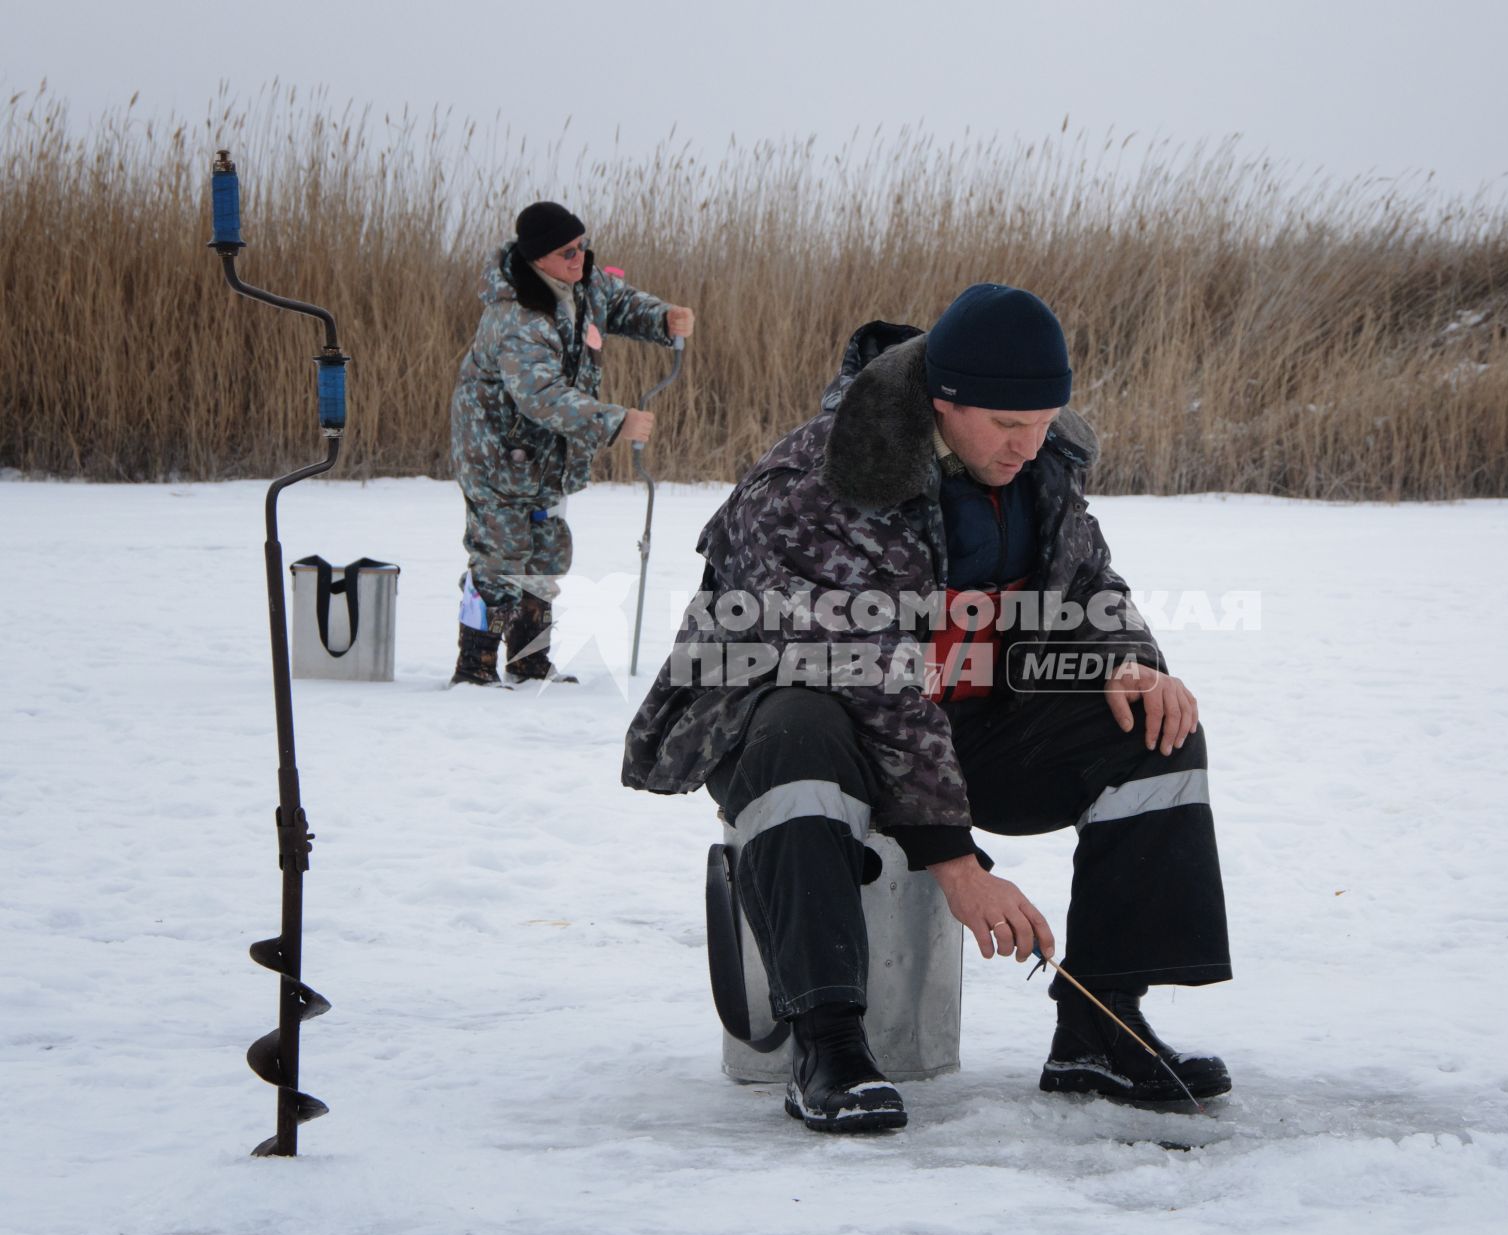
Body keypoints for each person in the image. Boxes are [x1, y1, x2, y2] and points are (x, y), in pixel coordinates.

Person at [623, 284, 1231, 1133]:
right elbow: (868, 679)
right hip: (805, 722)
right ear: (943, 401)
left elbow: (1090, 583)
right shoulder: (817, 481)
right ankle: (827, 1041)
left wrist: (1129, 664)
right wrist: (957, 866)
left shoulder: (1038, 464)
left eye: (1045, 422)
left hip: (962, 727)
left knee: (1157, 729)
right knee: (800, 726)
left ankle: (1102, 1025)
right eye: (1008, 427)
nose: (1030, 446)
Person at [450, 200, 694, 686]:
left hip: (545, 456)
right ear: (538, 257)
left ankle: (529, 662)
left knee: (546, 554)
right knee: (499, 559)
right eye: (567, 251)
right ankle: (474, 668)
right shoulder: (516, 316)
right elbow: (539, 396)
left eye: (582, 245)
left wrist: (664, 318)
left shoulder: (583, 284)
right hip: (497, 454)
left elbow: (619, 304)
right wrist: (614, 422)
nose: (579, 257)